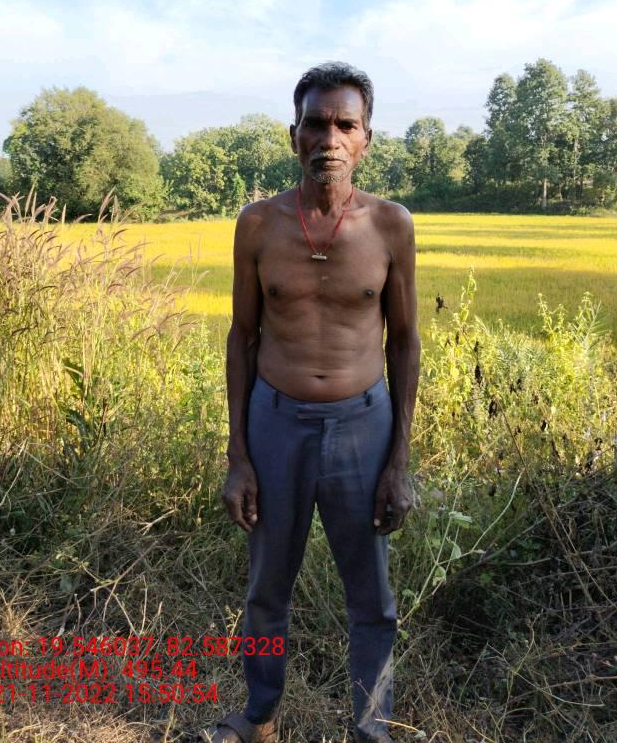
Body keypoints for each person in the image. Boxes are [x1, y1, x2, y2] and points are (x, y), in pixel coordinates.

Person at [202, 62, 421, 743]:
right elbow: (242, 337)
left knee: (372, 597)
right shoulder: (258, 225)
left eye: (345, 124)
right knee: (267, 588)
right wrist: (238, 455)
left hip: (363, 425)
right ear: (293, 133)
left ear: (366, 138)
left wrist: (398, 460)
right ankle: (259, 717)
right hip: (276, 424)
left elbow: (405, 341)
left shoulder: (390, 225)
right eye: (316, 123)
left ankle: (372, 728)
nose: (330, 138)